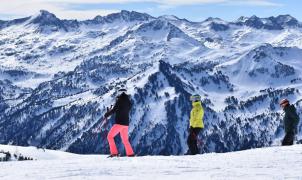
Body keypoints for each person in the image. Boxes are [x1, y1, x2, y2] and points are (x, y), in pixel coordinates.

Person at [104, 88, 135, 157]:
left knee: (110, 136)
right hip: (126, 123)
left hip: (119, 123)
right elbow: (121, 109)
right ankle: (130, 154)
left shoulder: (119, 100)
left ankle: (114, 153)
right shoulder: (129, 102)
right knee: (125, 140)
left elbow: (114, 110)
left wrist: (107, 114)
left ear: (120, 93)